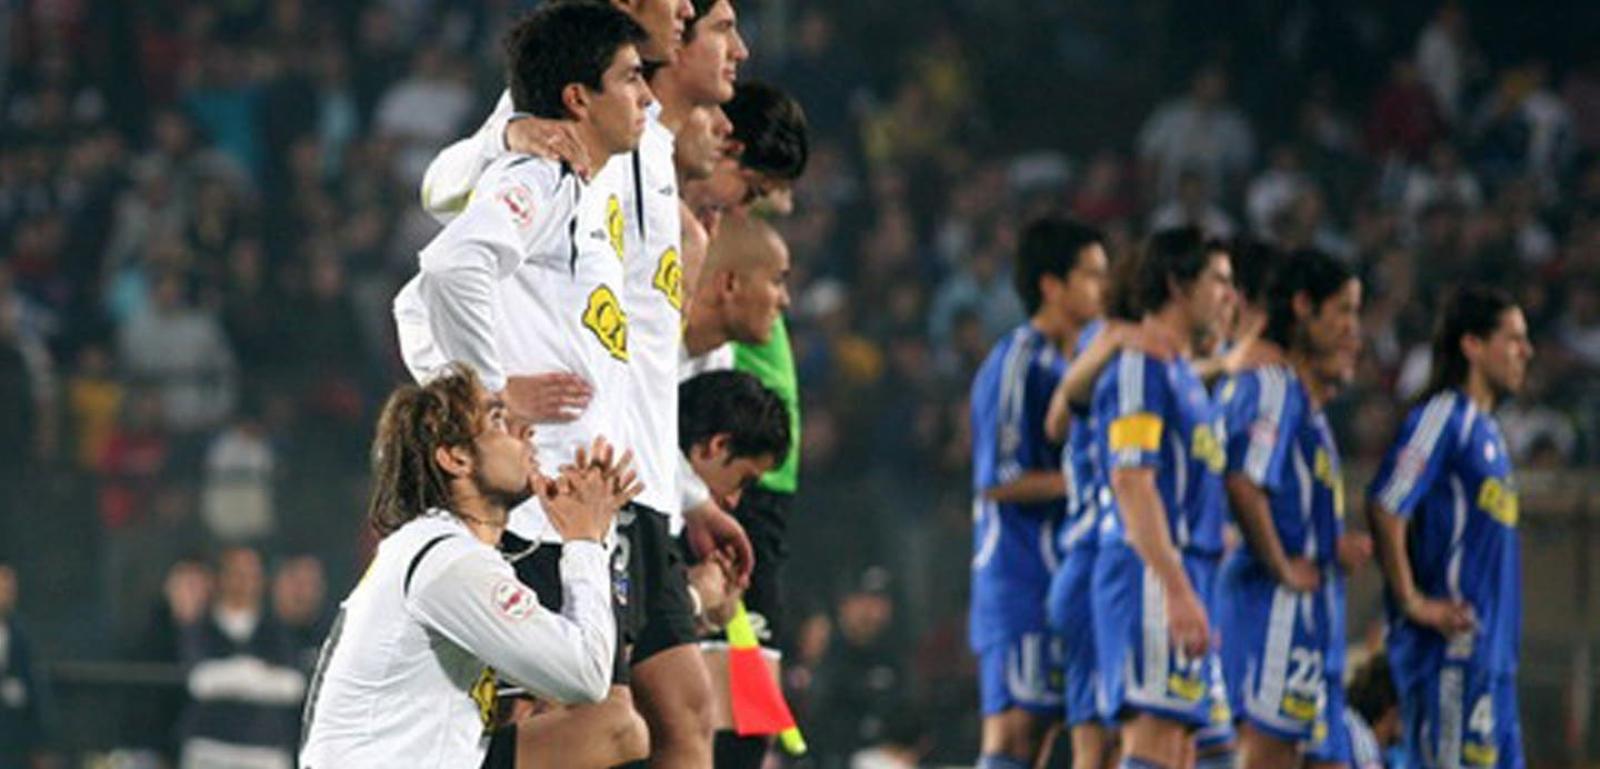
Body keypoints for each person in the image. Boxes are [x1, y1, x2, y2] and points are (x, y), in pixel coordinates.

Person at [390, 5, 655, 767]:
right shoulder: (541, 172)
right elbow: (446, 271)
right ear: (578, 97)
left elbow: (413, 303)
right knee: (601, 727)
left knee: (599, 731)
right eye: (631, 79)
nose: (646, 95)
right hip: (534, 515)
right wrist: (489, 398)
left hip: (579, 510)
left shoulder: (592, 184)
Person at [299, 363, 633, 767]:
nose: (526, 432)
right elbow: (586, 674)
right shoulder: (448, 561)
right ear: (456, 458)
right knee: (611, 726)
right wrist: (584, 540)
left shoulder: (433, 549)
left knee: (608, 726)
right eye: (497, 420)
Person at [1367, 286, 1531, 769]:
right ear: (1472, 345)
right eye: (1513, 338)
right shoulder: (1444, 417)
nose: (1526, 351)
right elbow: (1387, 503)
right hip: (1451, 655)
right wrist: (1413, 601)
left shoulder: (1491, 433)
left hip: (1493, 660)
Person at [1090, 228, 1236, 769]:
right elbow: (1132, 482)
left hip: (1183, 574)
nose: (1229, 296)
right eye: (1217, 280)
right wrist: (1174, 588)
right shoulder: (1140, 366)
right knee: (1153, 744)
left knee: (1178, 751)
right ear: (1177, 285)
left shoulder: (1181, 373)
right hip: (1148, 574)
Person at [1212, 249, 1363, 769]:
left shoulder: (1301, 406)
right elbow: (1242, 482)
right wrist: (1281, 564)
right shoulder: (1273, 385)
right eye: (1342, 310)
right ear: (1303, 306)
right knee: (1263, 755)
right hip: (1271, 608)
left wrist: (1329, 547)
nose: (1353, 329)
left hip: (1307, 614)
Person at [969, 217, 1110, 769]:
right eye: (1091, 275)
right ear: (1052, 285)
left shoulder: (1080, 363)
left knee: (1066, 733)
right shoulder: (1016, 362)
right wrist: (1091, 481)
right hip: (1020, 576)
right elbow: (999, 480)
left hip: (1070, 573)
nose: (1103, 288)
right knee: (1016, 737)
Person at [1030, 221, 1116, 769]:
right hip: (1096, 563)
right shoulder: (1105, 345)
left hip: (1090, 561)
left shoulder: (1097, 347)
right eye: (1092, 275)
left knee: (1105, 744)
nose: (1101, 287)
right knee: (1121, 740)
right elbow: (1056, 421)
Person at [177, 545, 305, 769]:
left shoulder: (275, 630)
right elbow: (200, 681)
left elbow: (293, 686)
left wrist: (232, 676)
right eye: (236, 573)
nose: (244, 581)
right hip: (210, 746)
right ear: (220, 578)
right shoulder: (202, 626)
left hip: (264, 750)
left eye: (251, 574)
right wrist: (256, 673)